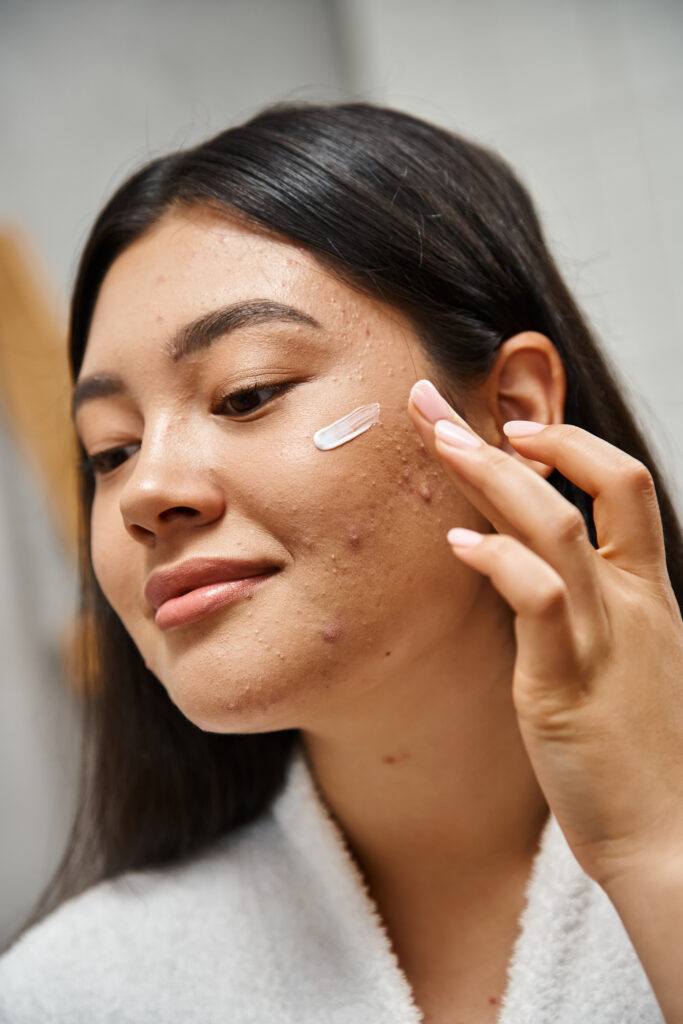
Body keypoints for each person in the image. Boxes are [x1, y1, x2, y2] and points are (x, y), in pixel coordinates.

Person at [0, 102, 681, 1024]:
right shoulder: (73, 993)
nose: (143, 490)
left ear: (512, 410)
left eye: (247, 393)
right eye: (110, 451)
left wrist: (656, 848)